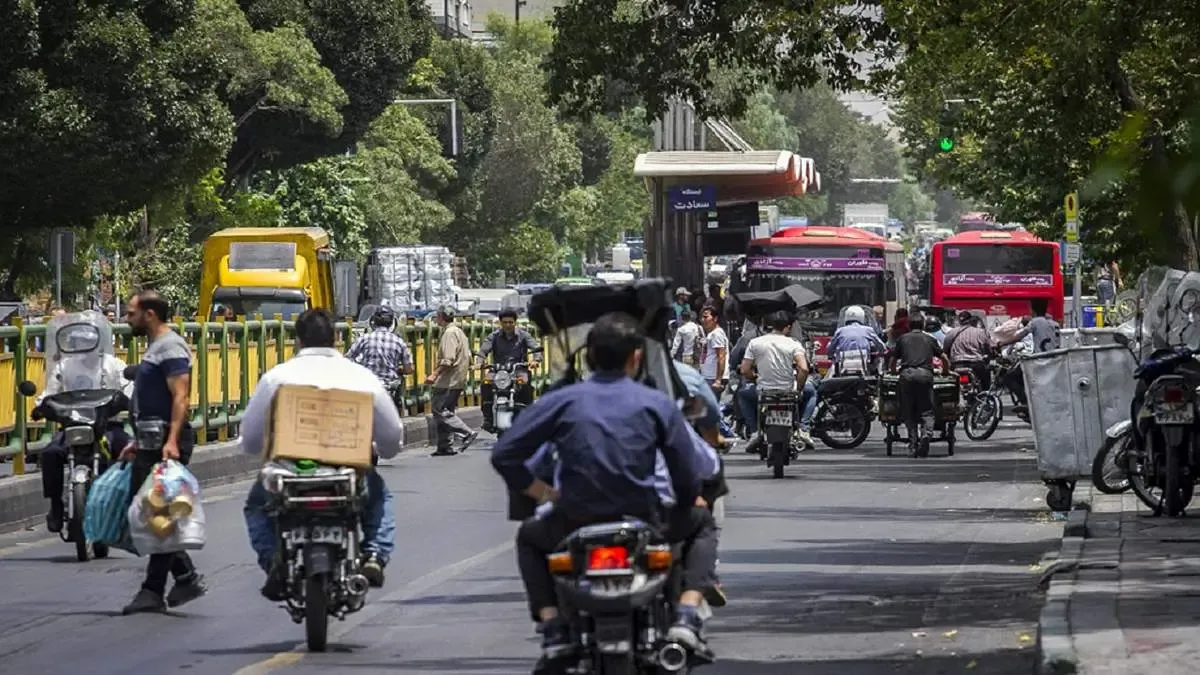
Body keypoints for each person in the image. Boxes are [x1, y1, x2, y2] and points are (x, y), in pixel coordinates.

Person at [491, 312, 718, 661]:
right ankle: (687, 616)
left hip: (573, 520)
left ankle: (552, 627)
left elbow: (505, 453)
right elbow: (686, 472)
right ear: (636, 357)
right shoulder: (656, 403)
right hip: (646, 519)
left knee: (529, 537)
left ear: (590, 357)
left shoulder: (562, 401)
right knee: (702, 523)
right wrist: (689, 502)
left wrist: (543, 493)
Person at [240, 309, 405, 596]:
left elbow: (252, 440)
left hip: (288, 473)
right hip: (347, 472)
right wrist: (382, 451)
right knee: (379, 497)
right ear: (337, 338)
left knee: (256, 506)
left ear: (298, 341)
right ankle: (375, 556)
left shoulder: (276, 378)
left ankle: (273, 562)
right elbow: (391, 437)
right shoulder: (360, 377)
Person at [118, 291, 208, 614]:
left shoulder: (170, 347)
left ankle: (154, 589)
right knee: (154, 512)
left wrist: (171, 441)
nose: (128, 320)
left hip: (167, 443)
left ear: (150, 314)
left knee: (157, 512)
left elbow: (180, 397)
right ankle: (183, 576)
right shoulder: (156, 347)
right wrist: (138, 441)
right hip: (151, 440)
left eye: (131, 314)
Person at [739, 310, 815, 450]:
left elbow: (745, 370)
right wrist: (798, 388)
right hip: (788, 391)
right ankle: (804, 429)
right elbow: (804, 369)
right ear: (788, 327)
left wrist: (755, 378)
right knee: (811, 392)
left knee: (743, 394)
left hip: (763, 392)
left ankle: (755, 431)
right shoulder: (794, 344)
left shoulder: (755, 343)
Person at [888, 315, 949, 458]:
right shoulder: (930, 339)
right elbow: (944, 358)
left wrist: (893, 371)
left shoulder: (902, 339)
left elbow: (893, 360)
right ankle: (926, 435)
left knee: (908, 410)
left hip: (907, 376)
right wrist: (945, 371)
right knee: (927, 410)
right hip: (925, 376)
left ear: (909, 326)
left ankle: (913, 442)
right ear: (923, 326)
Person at [425, 305, 477, 456]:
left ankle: (467, 433)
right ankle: (444, 446)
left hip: (448, 380)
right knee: (447, 412)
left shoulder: (449, 333)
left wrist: (434, 375)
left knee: (439, 411)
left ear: (441, 317)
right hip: (457, 379)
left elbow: (448, 359)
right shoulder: (459, 331)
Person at [478, 308, 540, 433]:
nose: (508, 325)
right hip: (498, 371)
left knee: (525, 384)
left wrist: (535, 360)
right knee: (486, 384)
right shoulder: (494, 336)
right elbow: (483, 351)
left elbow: (536, 348)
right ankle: (488, 418)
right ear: (500, 323)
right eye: (505, 322)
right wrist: (478, 362)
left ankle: (527, 415)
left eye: (510, 322)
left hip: (518, 369)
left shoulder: (523, 335)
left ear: (515, 322)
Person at [346, 306, 415, 390]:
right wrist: (399, 370)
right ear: (392, 323)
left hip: (368, 386)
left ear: (373, 321)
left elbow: (347, 359)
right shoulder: (399, 342)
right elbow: (409, 369)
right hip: (390, 387)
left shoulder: (363, 339)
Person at [827, 306, 885, 376]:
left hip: (842, 369)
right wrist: (880, 352)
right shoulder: (868, 330)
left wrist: (832, 356)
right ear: (861, 317)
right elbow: (881, 346)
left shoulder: (840, 331)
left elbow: (830, 349)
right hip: (864, 368)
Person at [944, 311, 992, 392]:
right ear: (971, 320)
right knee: (985, 379)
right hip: (976, 363)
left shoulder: (951, 332)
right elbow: (987, 349)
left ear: (959, 321)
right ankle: (985, 395)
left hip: (957, 364)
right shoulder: (980, 332)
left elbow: (945, 349)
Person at [698, 307, 729, 394]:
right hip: (709, 376)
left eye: (706, 317)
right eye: (702, 317)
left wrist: (718, 380)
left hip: (713, 378)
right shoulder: (712, 334)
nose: (703, 320)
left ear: (715, 319)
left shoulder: (716, 334)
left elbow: (721, 357)